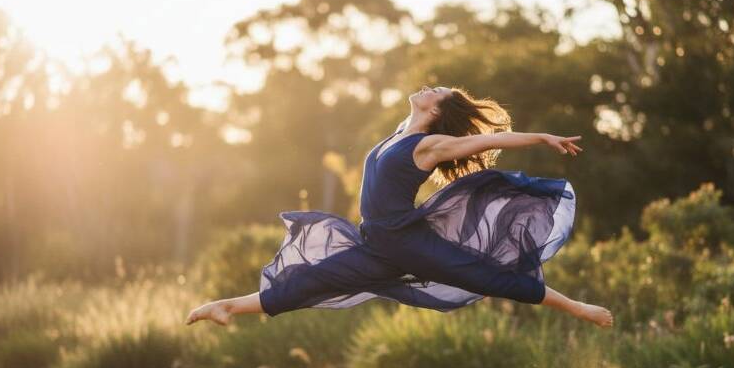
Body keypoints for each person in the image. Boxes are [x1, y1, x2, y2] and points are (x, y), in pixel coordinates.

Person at [186, 85, 613, 328]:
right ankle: (225, 307)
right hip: (378, 243)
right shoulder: (397, 133)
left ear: (436, 109)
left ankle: (581, 309)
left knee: (490, 277)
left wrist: (542, 138)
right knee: (312, 280)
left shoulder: (429, 145)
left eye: (437, 90)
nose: (428, 87)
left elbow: (486, 141)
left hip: (408, 242)